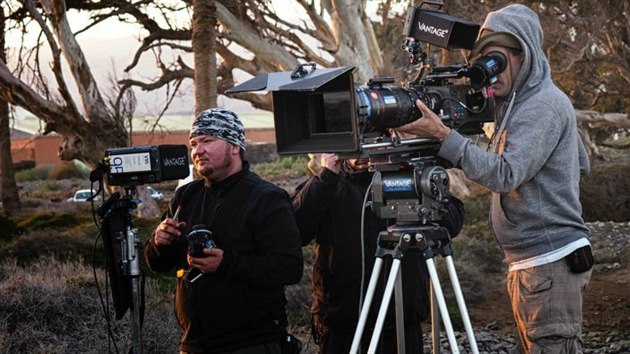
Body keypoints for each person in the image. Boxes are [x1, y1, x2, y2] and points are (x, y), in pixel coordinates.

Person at [395, 4, 593, 353]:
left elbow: (505, 174)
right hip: (535, 264)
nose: (491, 74)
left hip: (546, 263)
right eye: (483, 63)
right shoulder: (526, 102)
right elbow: (580, 163)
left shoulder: (541, 106)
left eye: (497, 62)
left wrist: (446, 139)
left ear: (524, 56)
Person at [144, 108, 304, 354]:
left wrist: (226, 264)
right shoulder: (186, 196)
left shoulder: (267, 198)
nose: (197, 150)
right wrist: (159, 242)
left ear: (235, 146)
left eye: (208, 141)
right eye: (194, 143)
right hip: (193, 344)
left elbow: (290, 267)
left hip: (251, 344)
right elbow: (157, 264)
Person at [293, 153, 465, 354]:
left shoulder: (409, 179)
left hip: (401, 320)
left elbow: (452, 224)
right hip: (343, 321)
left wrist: (418, 179)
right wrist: (325, 178)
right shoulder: (329, 183)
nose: (365, 154)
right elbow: (296, 231)